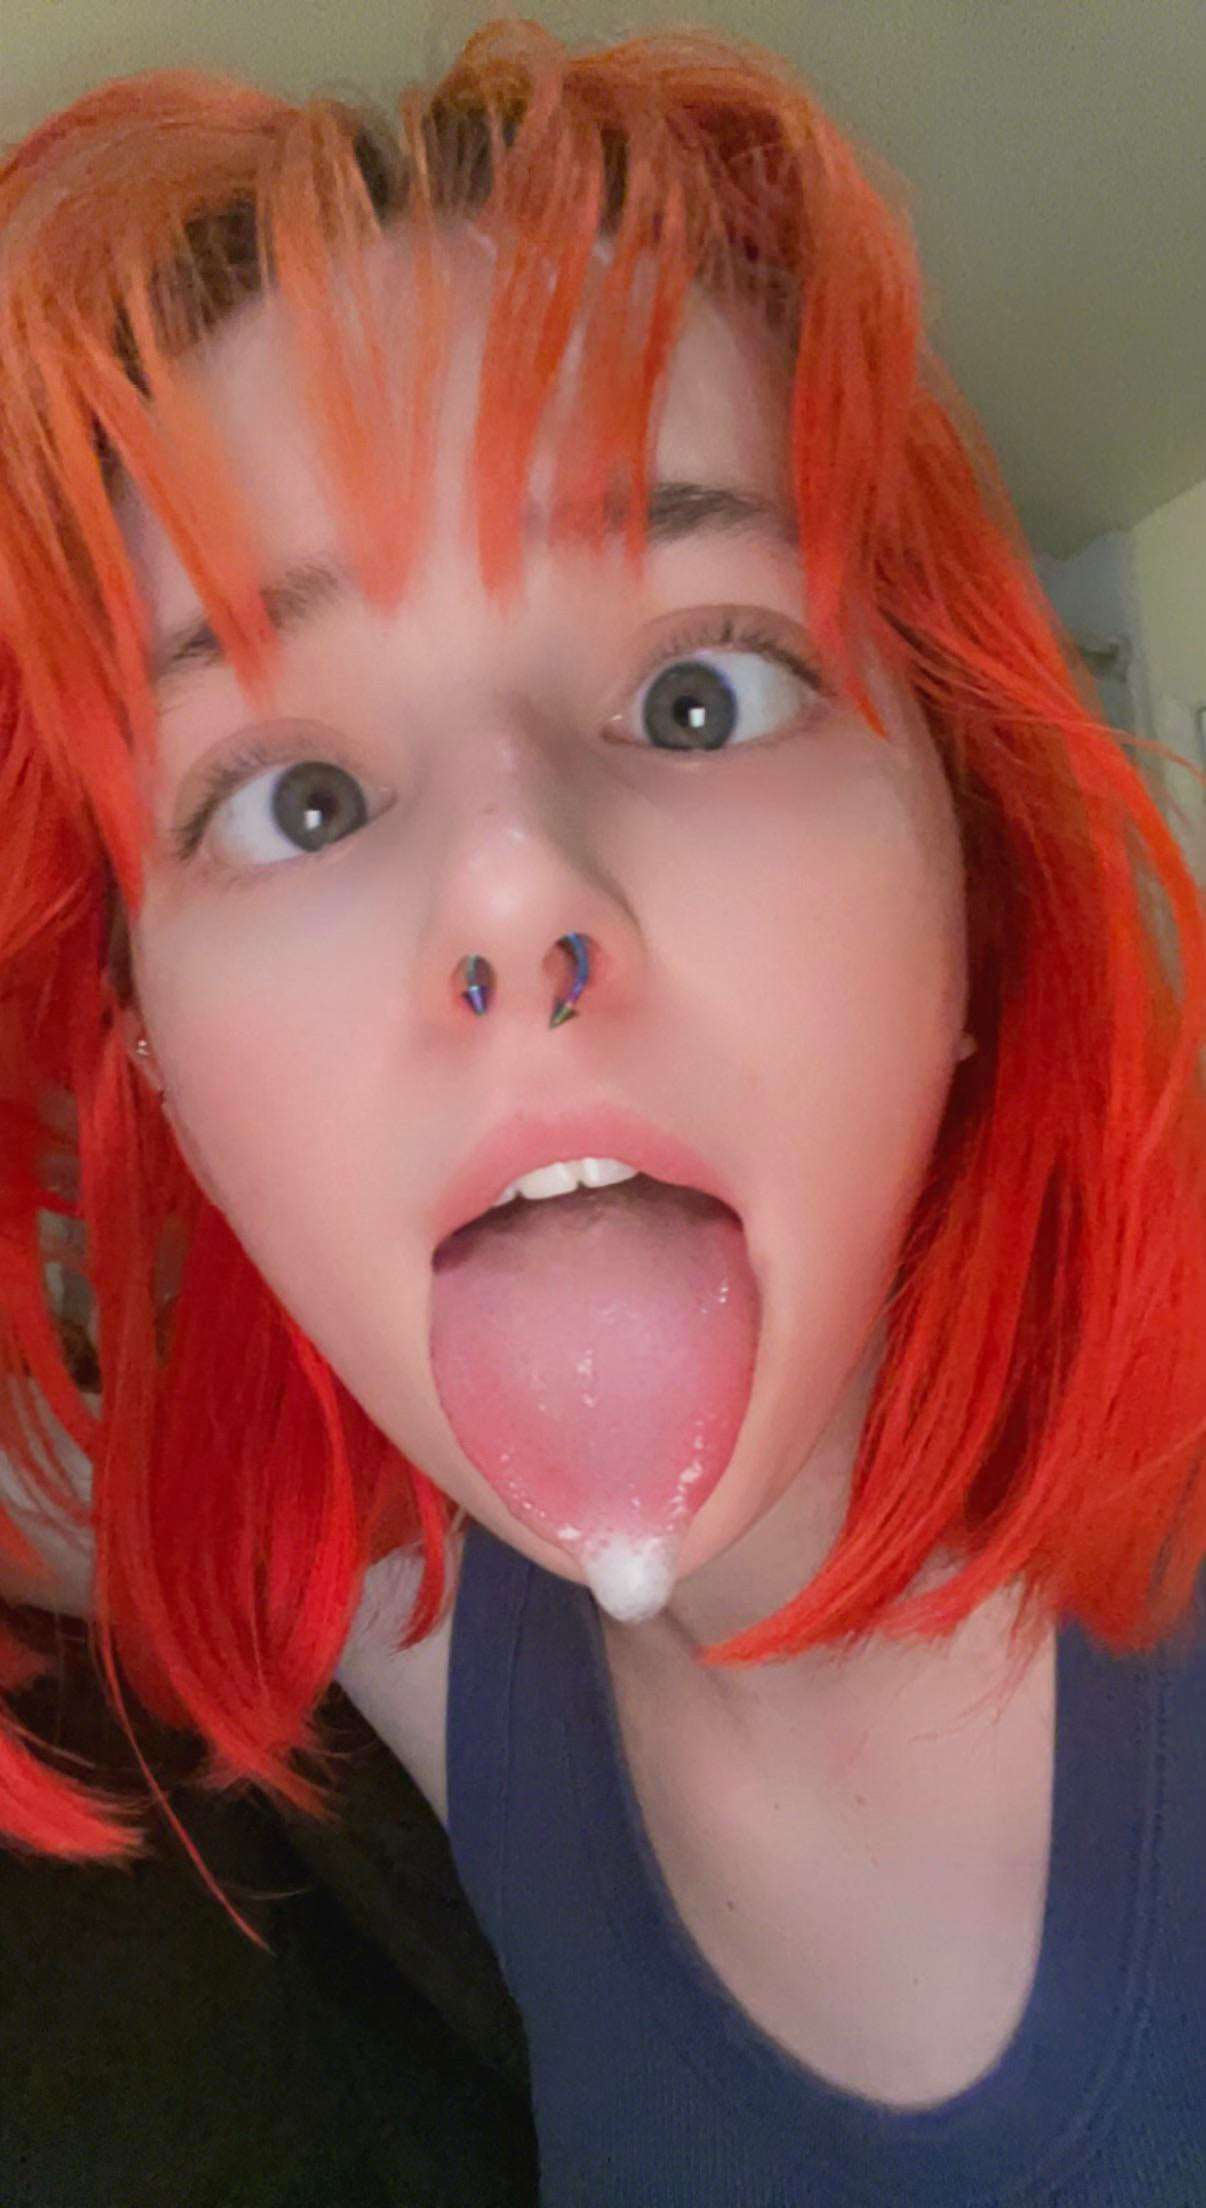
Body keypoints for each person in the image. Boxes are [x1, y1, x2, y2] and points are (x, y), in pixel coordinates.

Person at [1, 16, 1203, 2203]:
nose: (512, 890)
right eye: (298, 797)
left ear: (971, 881)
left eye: (697, 692)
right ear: (162, 1066)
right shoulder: (459, 1670)